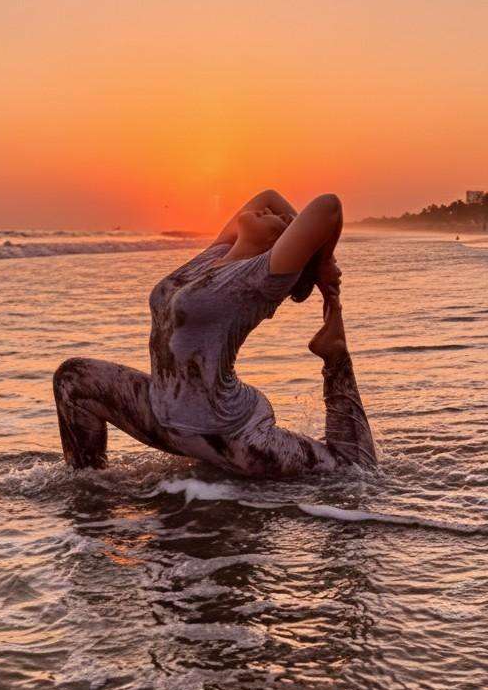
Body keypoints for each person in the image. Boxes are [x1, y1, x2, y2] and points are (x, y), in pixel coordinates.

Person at [53, 190, 376, 478]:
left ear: (278, 246)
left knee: (351, 466)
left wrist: (321, 266)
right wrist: (315, 261)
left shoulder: (261, 277)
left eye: (281, 221)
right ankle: (87, 481)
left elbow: (328, 206)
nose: (270, 211)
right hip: (161, 413)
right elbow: (268, 195)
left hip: (228, 434)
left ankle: (336, 353)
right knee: (73, 378)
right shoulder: (213, 256)